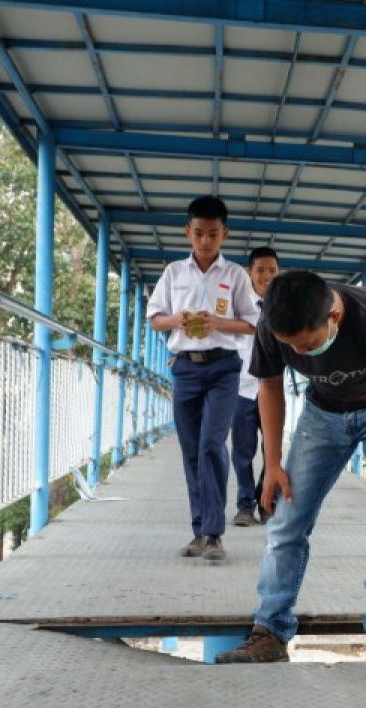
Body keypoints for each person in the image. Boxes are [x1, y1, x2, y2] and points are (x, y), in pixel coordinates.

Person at [215, 271, 366, 664]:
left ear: (334, 318)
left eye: (308, 344)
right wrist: (272, 463)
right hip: (322, 413)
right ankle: (269, 630)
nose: (300, 354)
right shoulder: (274, 325)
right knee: (286, 517)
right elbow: (270, 388)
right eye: (292, 348)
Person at [147, 196, 260, 564]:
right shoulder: (174, 273)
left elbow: (252, 323)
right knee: (192, 449)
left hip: (224, 368)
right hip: (185, 369)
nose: (205, 241)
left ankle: (214, 533)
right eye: (198, 234)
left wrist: (217, 323)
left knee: (213, 443)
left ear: (224, 234)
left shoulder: (236, 276)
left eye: (213, 234)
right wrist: (177, 320)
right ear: (188, 232)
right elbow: (155, 318)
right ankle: (199, 531)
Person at [230, 247, 280, 527]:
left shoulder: (284, 305)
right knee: (243, 450)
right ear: (250, 273)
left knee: (273, 449)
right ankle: (244, 505)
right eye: (260, 270)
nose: (266, 276)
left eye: (272, 270)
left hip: (274, 389)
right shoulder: (239, 304)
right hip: (243, 388)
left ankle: (266, 500)